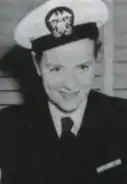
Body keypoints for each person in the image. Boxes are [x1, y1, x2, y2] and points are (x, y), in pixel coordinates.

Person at [0, 0, 127, 183]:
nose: (70, 84)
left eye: (82, 67)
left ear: (96, 58)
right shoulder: (7, 128)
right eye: (56, 69)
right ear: (37, 65)